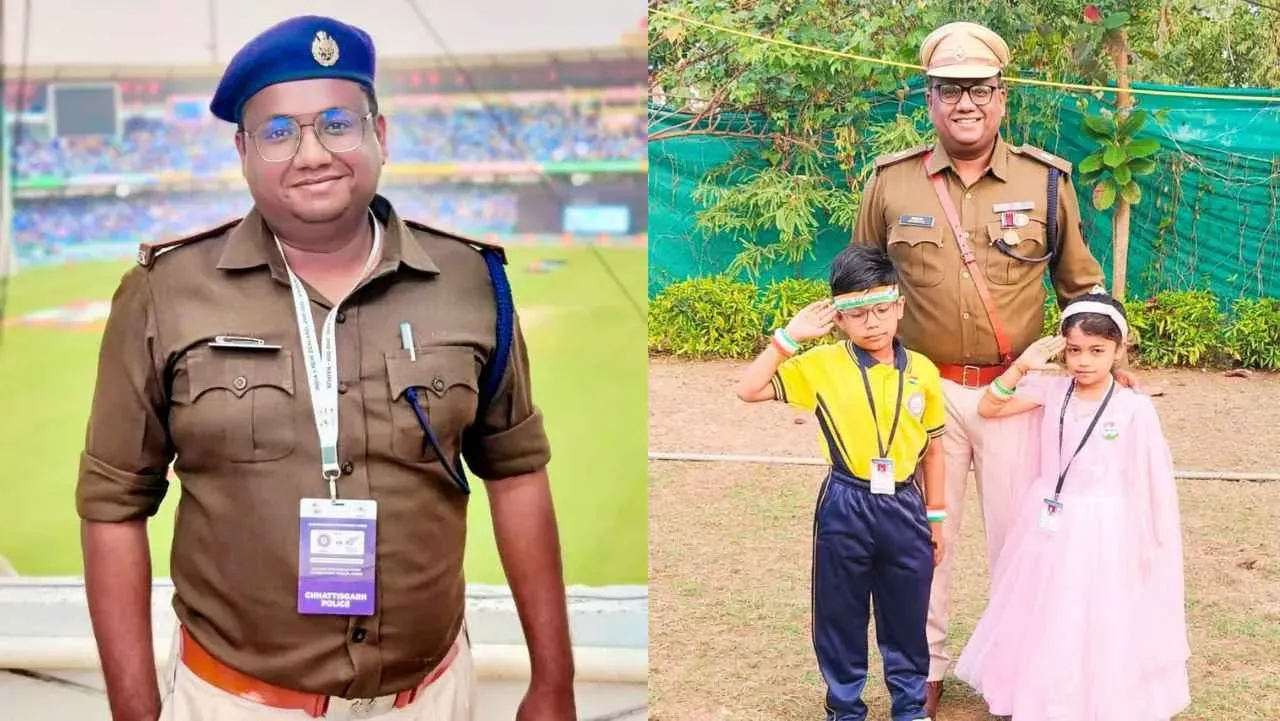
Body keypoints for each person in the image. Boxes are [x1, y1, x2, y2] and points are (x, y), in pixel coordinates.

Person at [75, 15, 576, 721]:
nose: (311, 153)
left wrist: (554, 682)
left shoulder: (471, 281)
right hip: (236, 703)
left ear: (381, 134)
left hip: (431, 698)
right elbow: (112, 505)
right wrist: (133, 711)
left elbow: (517, 470)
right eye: (279, 132)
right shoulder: (165, 292)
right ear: (243, 150)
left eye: (337, 123)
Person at [850, 20, 1141, 714]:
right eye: (950, 89)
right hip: (921, 393)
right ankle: (921, 669)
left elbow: (1080, 283)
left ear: (1002, 97)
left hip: (1018, 393)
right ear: (930, 99)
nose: (966, 103)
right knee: (924, 540)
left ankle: (1017, 672)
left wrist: (1110, 358)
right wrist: (861, 377)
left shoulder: (1046, 180)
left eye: (979, 89)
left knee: (1022, 540)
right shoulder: (891, 182)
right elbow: (863, 282)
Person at [954, 290, 1190, 719]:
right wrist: (1023, 366)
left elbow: (1149, 480)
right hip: (1048, 520)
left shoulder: (1133, 408)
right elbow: (989, 407)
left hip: (1105, 525)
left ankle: (1095, 698)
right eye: (1075, 350)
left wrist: (1146, 539)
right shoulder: (1052, 390)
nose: (1083, 361)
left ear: (1118, 349)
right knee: (1046, 608)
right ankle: (1040, 694)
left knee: (1096, 612)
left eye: (1097, 351)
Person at [735, 244, 948, 721]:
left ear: (900, 306)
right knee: (840, 614)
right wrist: (788, 338)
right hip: (845, 501)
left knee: (907, 613)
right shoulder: (821, 365)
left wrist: (936, 518)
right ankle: (845, 708)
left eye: (881, 309)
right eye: (857, 313)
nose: (871, 323)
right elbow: (748, 389)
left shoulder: (924, 372)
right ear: (839, 318)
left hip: (905, 505)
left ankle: (910, 708)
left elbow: (934, 450)